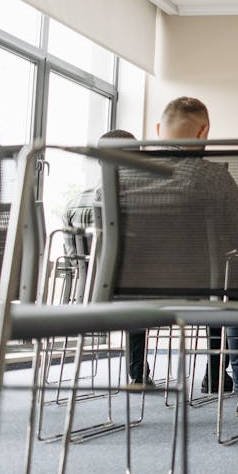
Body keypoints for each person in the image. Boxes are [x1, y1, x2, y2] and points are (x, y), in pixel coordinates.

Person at [137, 97, 238, 415]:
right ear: (204, 133)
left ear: (159, 129)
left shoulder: (122, 175)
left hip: (136, 294)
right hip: (204, 291)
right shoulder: (212, 177)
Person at [62, 129, 155, 387]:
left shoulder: (75, 204)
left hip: (88, 294)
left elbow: (72, 261)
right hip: (135, 295)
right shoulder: (150, 201)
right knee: (135, 281)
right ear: (137, 159)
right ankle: (137, 371)